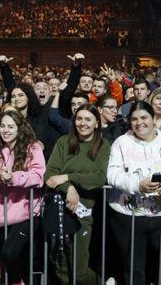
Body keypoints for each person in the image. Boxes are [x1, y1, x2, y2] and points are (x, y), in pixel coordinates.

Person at [107, 101, 161, 285]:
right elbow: (113, 174)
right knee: (134, 269)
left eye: (144, 117)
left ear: (153, 119)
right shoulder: (122, 142)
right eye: (134, 119)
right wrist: (137, 185)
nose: (139, 123)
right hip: (129, 214)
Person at [44, 104, 110, 284]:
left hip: (83, 214)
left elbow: (98, 178)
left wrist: (66, 176)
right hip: (59, 211)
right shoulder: (63, 142)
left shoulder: (103, 146)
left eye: (88, 119)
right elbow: (50, 175)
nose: (82, 123)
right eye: (79, 119)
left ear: (97, 123)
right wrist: (69, 188)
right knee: (61, 267)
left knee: (79, 271)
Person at [0, 111, 45, 284]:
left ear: (20, 128)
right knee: (8, 256)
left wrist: (14, 177)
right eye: (3, 126)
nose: (6, 130)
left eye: (11, 126)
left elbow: (38, 175)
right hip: (3, 214)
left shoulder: (33, 147)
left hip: (27, 213)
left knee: (11, 253)